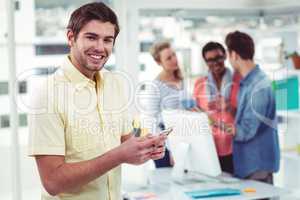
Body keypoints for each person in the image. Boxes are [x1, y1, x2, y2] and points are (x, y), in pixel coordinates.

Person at [28, 2, 167, 200]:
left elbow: (125, 143)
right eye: (91, 37)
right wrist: (119, 155)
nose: (100, 48)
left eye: (108, 40)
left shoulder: (114, 83)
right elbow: (52, 182)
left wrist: (147, 148)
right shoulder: (48, 95)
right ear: (71, 37)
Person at [225, 31, 280, 184]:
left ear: (234, 55)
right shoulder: (249, 82)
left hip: (256, 166)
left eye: (228, 56)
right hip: (249, 165)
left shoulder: (258, 86)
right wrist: (229, 109)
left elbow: (246, 131)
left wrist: (214, 123)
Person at [193, 42, 241, 174]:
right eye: (210, 60)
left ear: (225, 56)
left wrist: (228, 106)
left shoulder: (239, 81)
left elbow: (245, 116)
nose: (215, 63)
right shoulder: (200, 84)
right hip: (209, 147)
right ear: (205, 62)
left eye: (218, 58)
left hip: (235, 147)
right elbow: (196, 114)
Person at [140, 41, 190, 168]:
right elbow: (152, 120)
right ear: (159, 62)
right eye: (168, 58)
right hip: (165, 146)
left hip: (183, 139)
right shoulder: (155, 86)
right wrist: (171, 148)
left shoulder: (181, 79)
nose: (174, 59)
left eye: (174, 55)